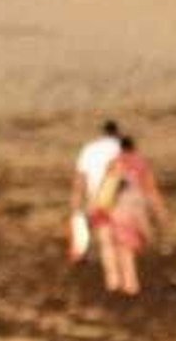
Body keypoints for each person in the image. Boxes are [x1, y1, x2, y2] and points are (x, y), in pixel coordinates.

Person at [93, 134, 170, 298]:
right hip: (135, 209)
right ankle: (131, 286)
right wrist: (160, 211)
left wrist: (97, 209)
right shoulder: (140, 163)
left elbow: (105, 189)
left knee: (119, 246)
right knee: (128, 248)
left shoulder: (113, 163)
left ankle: (116, 283)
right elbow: (150, 189)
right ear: (133, 147)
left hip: (116, 210)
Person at [68, 119, 122, 263]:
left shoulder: (89, 148)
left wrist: (75, 200)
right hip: (116, 193)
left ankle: (87, 253)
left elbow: (80, 178)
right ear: (117, 133)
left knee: (100, 228)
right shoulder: (120, 147)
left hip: (94, 195)